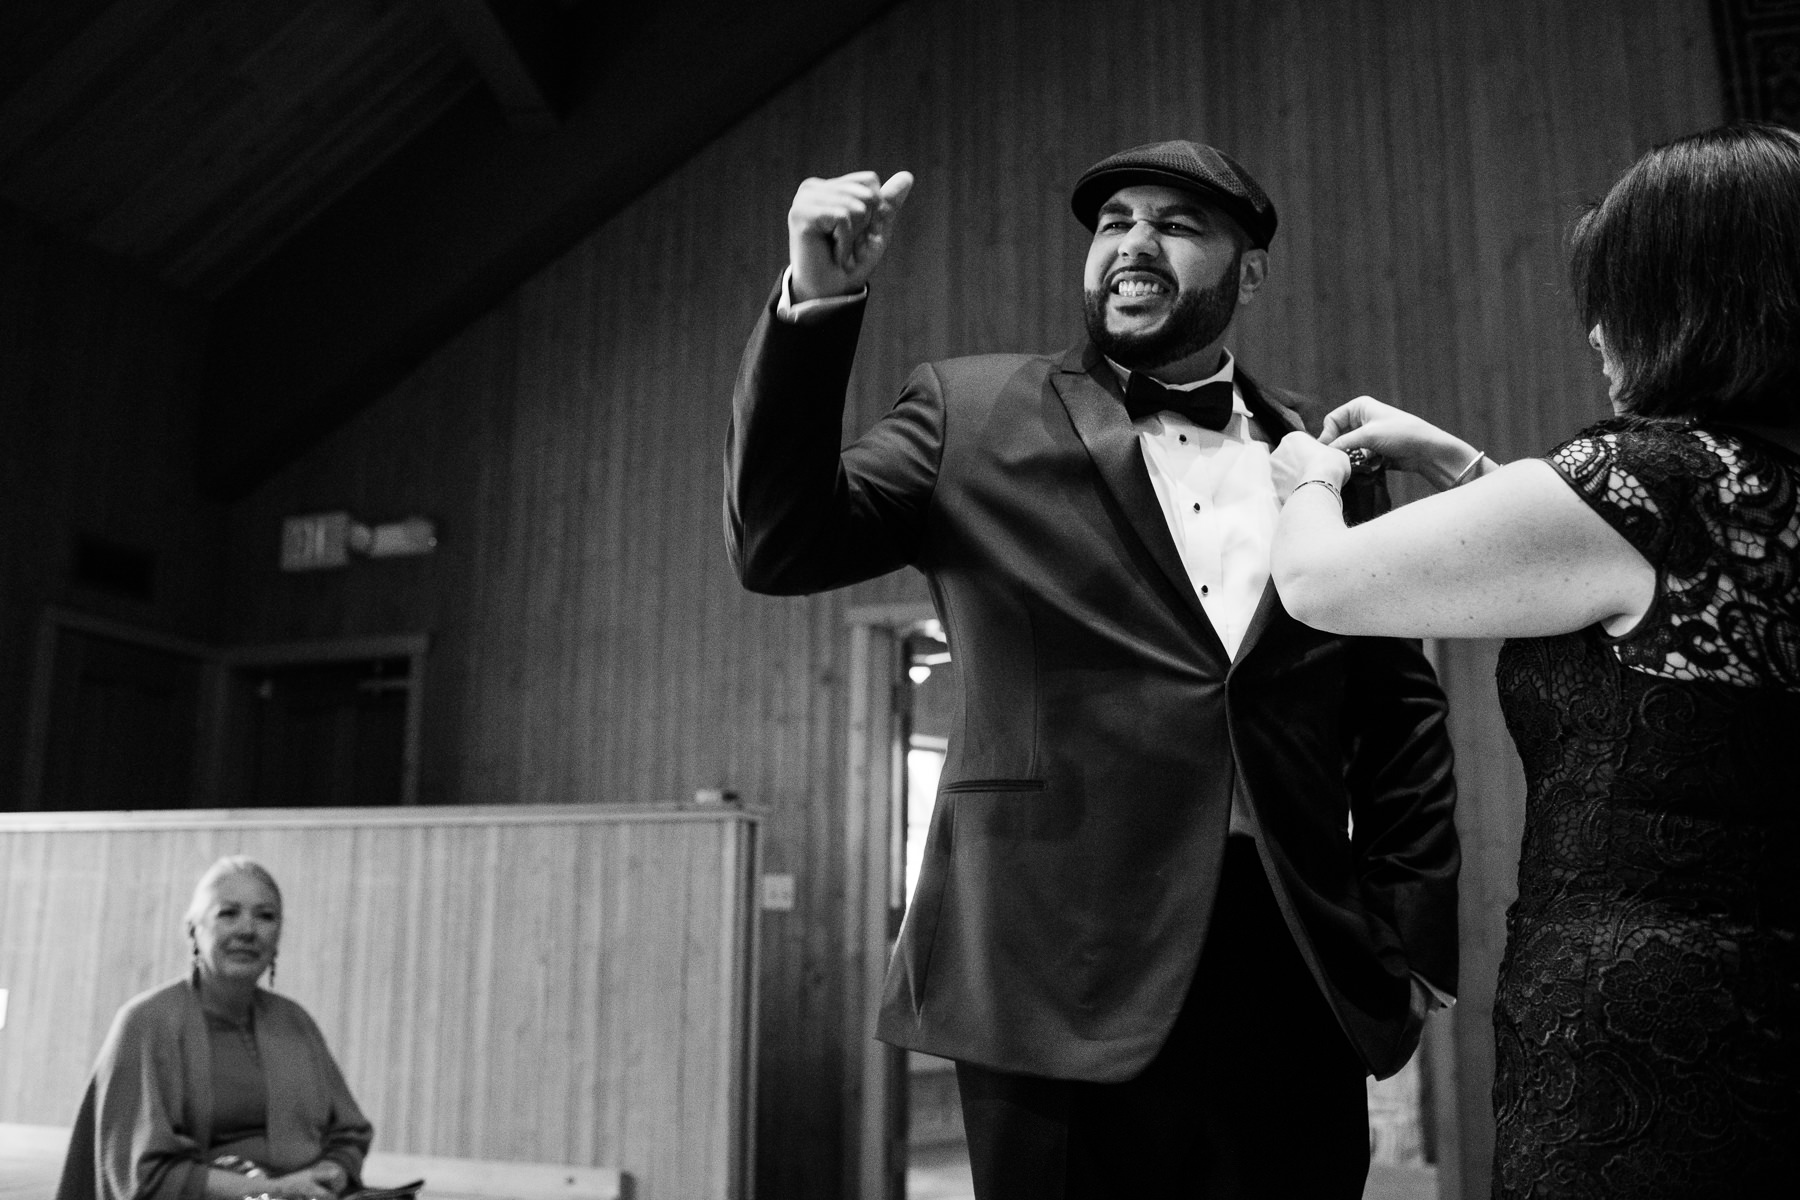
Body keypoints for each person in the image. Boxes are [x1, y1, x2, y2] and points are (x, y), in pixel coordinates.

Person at [725, 139, 1461, 1198]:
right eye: (1116, 222)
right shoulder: (967, 414)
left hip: (1292, 963)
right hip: (1047, 975)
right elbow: (777, 542)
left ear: (1249, 272)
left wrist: (1417, 943)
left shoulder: (1328, 456)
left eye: (1177, 223)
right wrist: (815, 305)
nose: (1135, 242)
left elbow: (1396, 710)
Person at [1268, 122, 1800, 1197]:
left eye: (1614, 292)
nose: (1597, 331)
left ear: (1686, 295)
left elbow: (1318, 584)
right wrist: (1454, 458)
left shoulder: (1648, 477)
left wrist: (1306, 483)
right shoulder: (1756, 491)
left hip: (1646, 1037)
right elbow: (1603, 580)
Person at [56, 857, 373, 1200]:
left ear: (278, 934)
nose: (247, 930)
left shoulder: (295, 1021)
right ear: (193, 929)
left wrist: (334, 1172)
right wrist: (271, 1191)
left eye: (265, 916)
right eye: (228, 913)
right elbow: (142, 1176)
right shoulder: (146, 1023)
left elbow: (348, 1133)